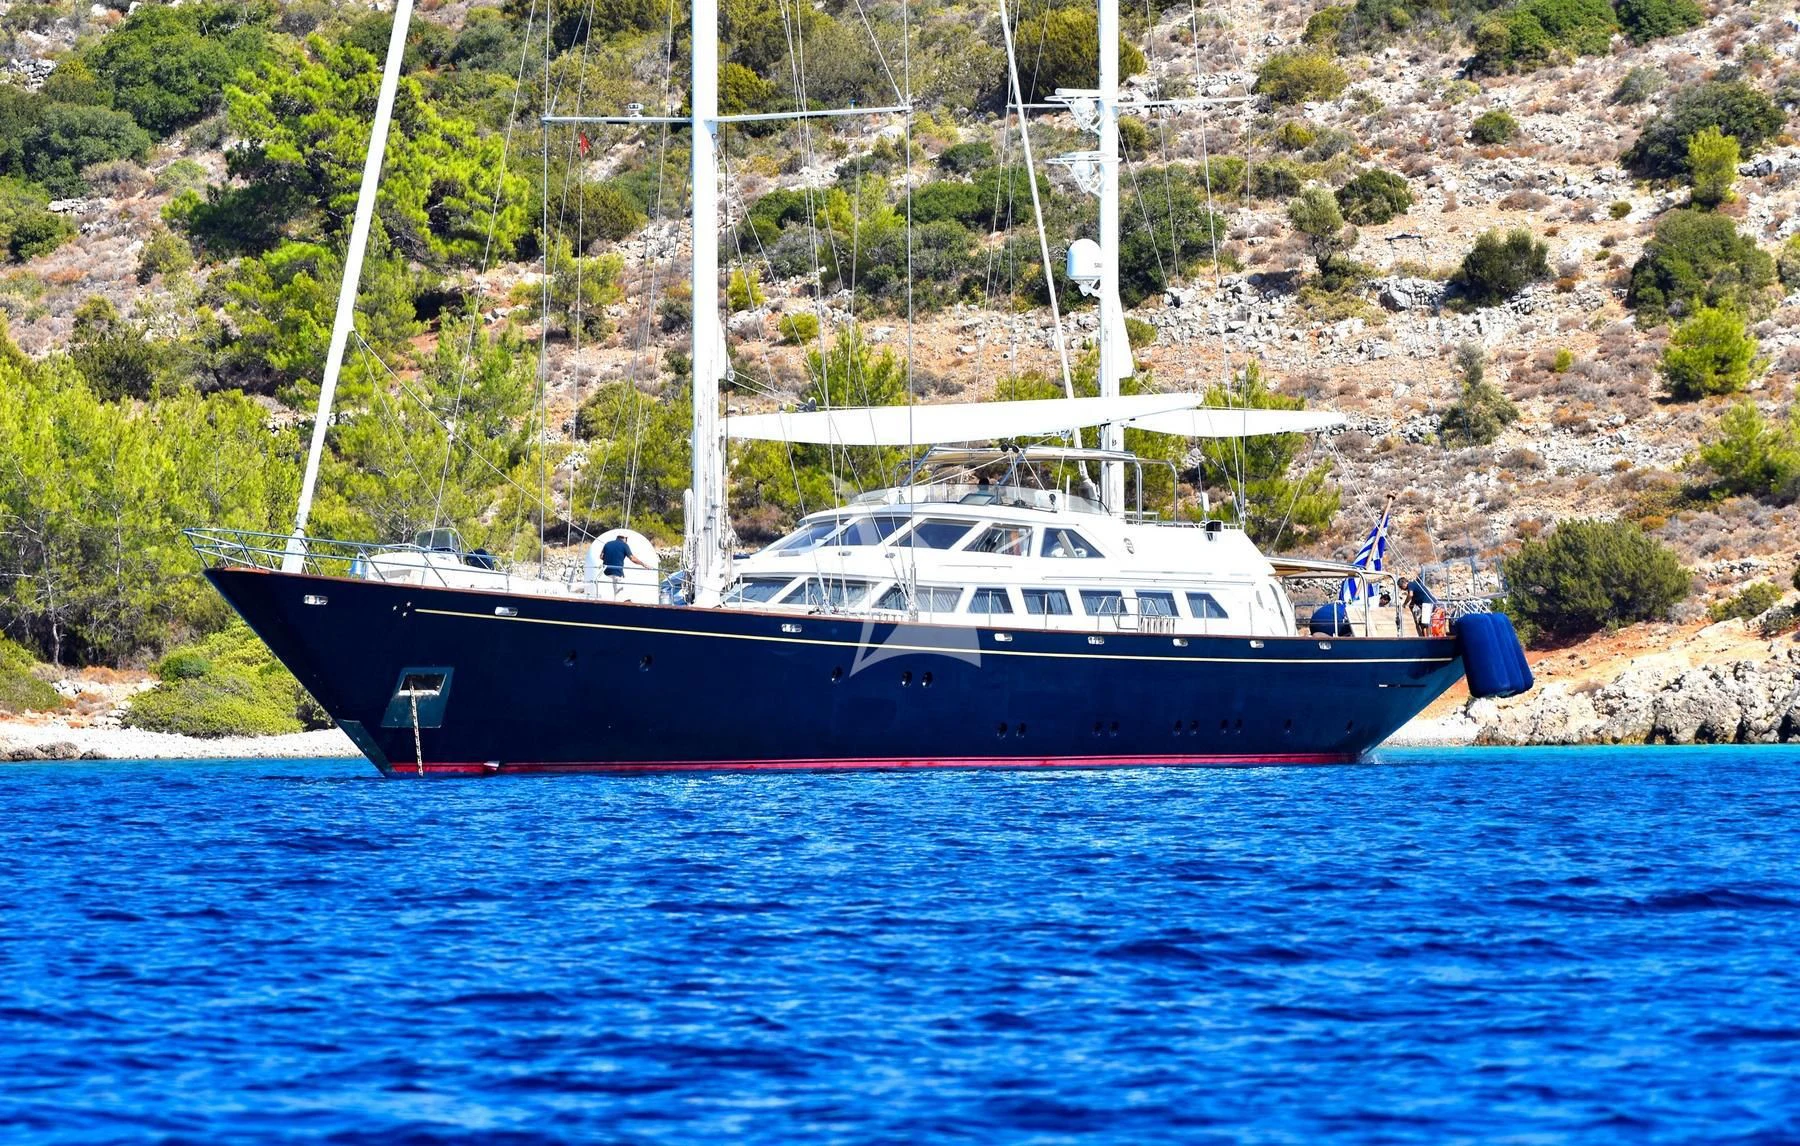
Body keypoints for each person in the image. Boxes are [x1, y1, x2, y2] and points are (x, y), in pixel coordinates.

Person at [599, 533, 649, 598]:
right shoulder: (624, 545)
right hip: (617, 573)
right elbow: (632, 558)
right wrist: (643, 564)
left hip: (606, 572)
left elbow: (601, 556)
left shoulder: (607, 543)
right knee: (620, 593)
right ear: (624, 538)